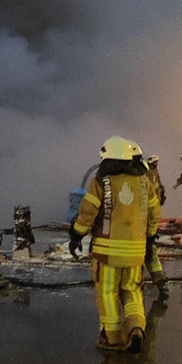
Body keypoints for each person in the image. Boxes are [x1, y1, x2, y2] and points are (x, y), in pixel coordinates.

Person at [71, 136, 160, 352]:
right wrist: (149, 238)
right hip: (136, 253)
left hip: (107, 254)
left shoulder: (102, 181)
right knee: (132, 291)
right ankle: (136, 328)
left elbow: (87, 212)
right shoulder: (145, 182)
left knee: (108, 293)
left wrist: (76, 235)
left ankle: (113, 338)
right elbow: (154, 213)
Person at [130, 142, 168, 299]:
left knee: (137, 256)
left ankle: (137, 283)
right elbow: (154, 209)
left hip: (134, 226)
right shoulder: (146, 177)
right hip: (145, 223)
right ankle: (161, 283)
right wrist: (152, 233)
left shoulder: (130, 180)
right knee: (151, 254)